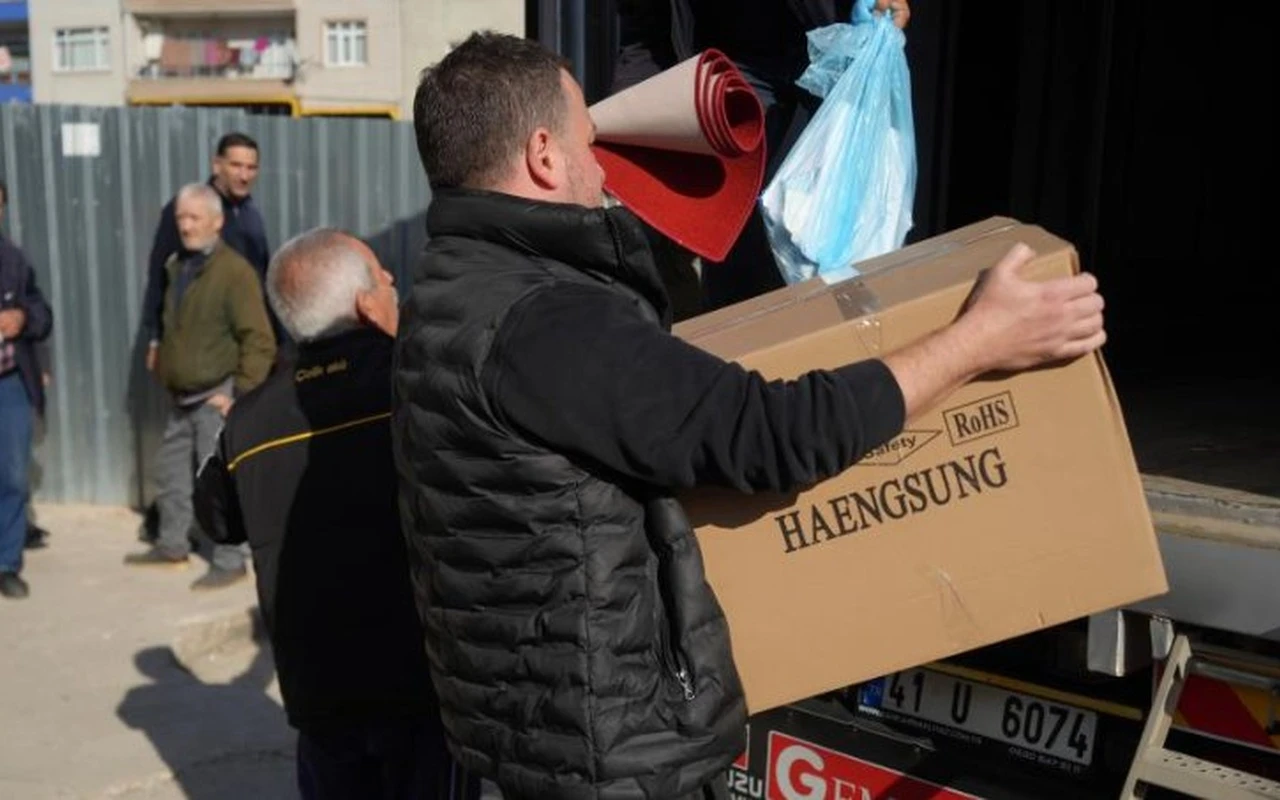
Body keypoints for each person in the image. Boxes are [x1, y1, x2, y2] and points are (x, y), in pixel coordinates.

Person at [395, 32, 1105, 800]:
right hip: (614, 762)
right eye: (588, 142)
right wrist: (979, 339)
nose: (601, 168)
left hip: (530, 734)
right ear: (542, 154)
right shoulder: (546, 320)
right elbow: (775, 435)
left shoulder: (443, 293)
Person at [193, 228, 475, 800]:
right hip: (422, 686)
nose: (393, 280)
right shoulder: (421, 386)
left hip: (319, 695)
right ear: (364, 303)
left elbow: (216, 522)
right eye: (380, 274)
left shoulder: (246, 422)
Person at [612, 0, 911, 310]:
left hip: (835, 57)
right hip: (733, 77)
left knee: (844, 235)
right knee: (740, 245)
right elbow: (646, 35)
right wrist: (623, 127)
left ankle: (847, 330)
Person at [124, 183, 276, 591]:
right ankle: (172, 544)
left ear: (217, 221)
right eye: (181, 218)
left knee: (221, 482)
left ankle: (230, 561)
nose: (186, 226)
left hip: (216, 397)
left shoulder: (235, 273)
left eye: (194, 218)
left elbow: (259, 339)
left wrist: (239, 394)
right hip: (181, 398)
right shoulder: (178, 265)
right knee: (171, 473)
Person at [140, 131, 284, 357]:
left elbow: (262, 276)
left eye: (251, 167)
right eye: (236, 165)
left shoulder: (250, 213)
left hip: (247, 335)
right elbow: (159, 272)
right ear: (217, 166)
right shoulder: (191, 209)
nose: (244, 175)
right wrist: (156, 338)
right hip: (205, 343)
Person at [0, 177, 53, 600]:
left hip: (9, 382)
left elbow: (41, 312)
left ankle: (6, 562)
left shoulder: (12, 259)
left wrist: (23, 318)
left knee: (13, 476)